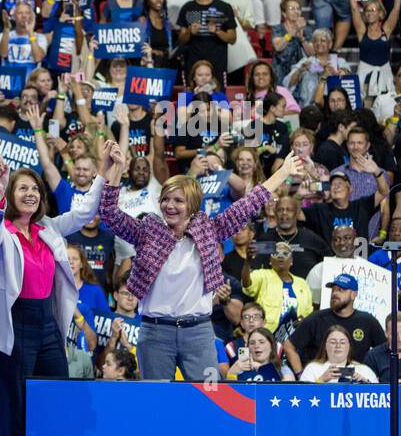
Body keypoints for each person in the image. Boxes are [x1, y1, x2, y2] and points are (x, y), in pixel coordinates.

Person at [100, 143, 304, 381]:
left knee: (209, 402)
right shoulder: (147, 230)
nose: (170, 206)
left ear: (193, 205)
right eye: (166, 199)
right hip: (155, 332)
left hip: (198, 332)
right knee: (156, 404)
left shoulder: (209, 229)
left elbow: (248, 204)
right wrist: (113, 170)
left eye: (178, 200)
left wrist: (283, 171)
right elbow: (109, 214)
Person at [0, 153, 106, 436]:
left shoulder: (48, 228)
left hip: (47, 325)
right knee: (15, 414)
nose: (31, 194)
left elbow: (82, 213)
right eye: (23, 188)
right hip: (13, 325)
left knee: (57, 404)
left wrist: (104, 174)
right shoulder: (0, 233)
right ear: (11, 195)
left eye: (34, 188)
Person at [284, 271, 385, 373]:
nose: (335, 293)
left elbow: (384, 350)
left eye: (341, 290)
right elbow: (289, 346)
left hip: (355, 380)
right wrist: (302, 377)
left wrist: (373, 375)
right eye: (333, 290)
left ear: (354, 294)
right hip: (320, 380)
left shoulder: (367, 321)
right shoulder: (316, 319)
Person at [298, 325, 379, 383]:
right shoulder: (312, 369)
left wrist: (367, 386)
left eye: (342, 342)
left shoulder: (364, 370)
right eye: (333, 342)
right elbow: (302, 397)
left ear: (349, 346)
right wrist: (321, 380)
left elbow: (379, 399)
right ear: (325, 346)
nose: (338, 345)